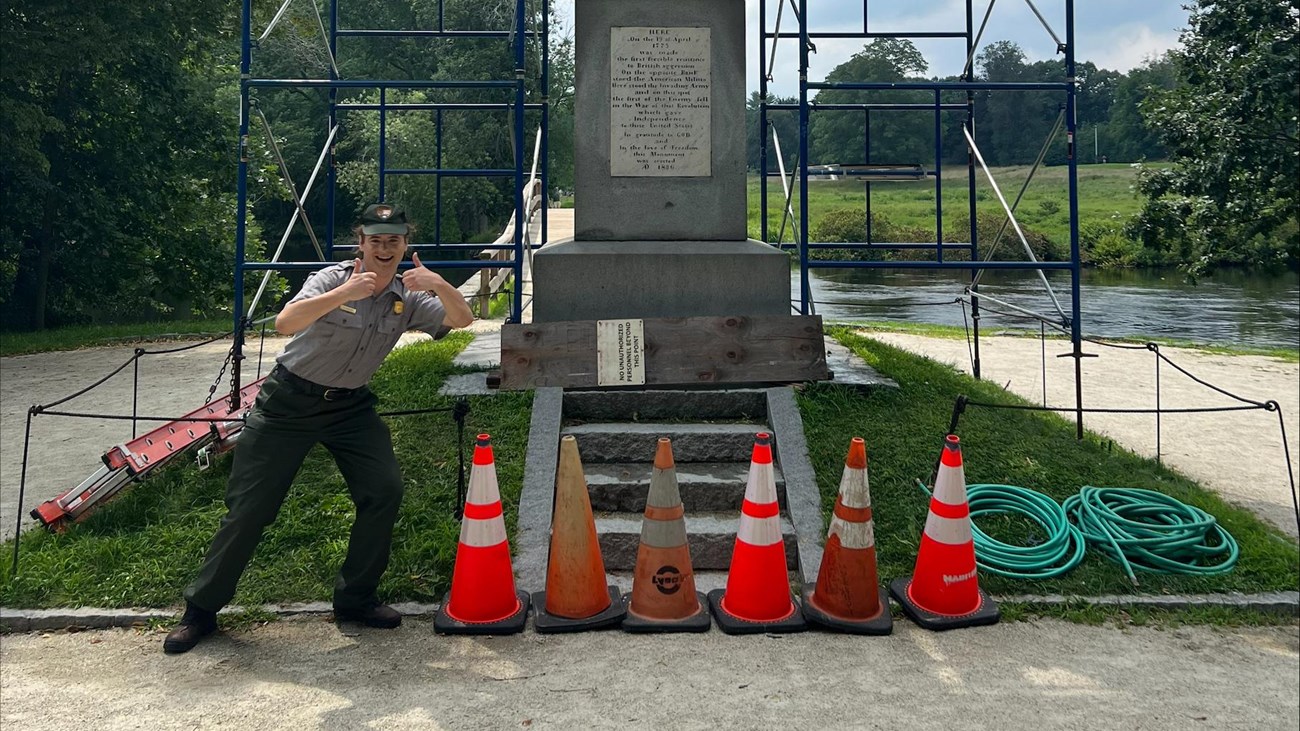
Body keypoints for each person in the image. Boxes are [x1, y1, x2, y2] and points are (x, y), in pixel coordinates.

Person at [164, 203, 474, 654]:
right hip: (289, 401)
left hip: (351, 408)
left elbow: (462, 320)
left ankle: (355, 599)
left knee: (383, 490)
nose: (384, 249)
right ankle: (201, 610)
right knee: (251, 508)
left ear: (406, 244)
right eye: (375, 240)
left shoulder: (409, 298)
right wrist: (345, 291)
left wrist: (440, 284)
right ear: (361, 242)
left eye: (394, 240)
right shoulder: (331, 278)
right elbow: (287, 322)